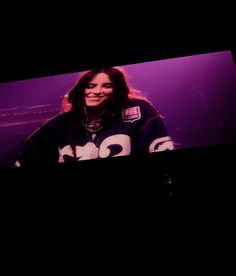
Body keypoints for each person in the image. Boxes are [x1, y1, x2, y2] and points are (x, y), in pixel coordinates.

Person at [15, 67, 174, 167]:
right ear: (80, 90)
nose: (97, 91)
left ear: (116, 89)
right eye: (90, 86)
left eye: (107, 85)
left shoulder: (139, 110)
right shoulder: (59, 124)